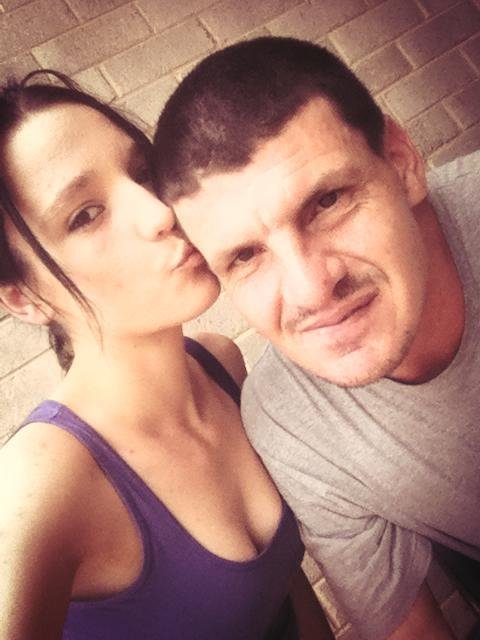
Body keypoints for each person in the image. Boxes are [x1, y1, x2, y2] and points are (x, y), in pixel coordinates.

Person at [152, 37, 480, 640]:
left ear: (401, 161)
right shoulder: (289, 425)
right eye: (247, 256)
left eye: (327, 202)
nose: (310, 290)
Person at [0, 70, 334, 640]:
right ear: (24, 298)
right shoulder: (40, 486)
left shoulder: (222, 365)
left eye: (143, 172)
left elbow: (282, 586)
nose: (159, 212)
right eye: (85, 215)